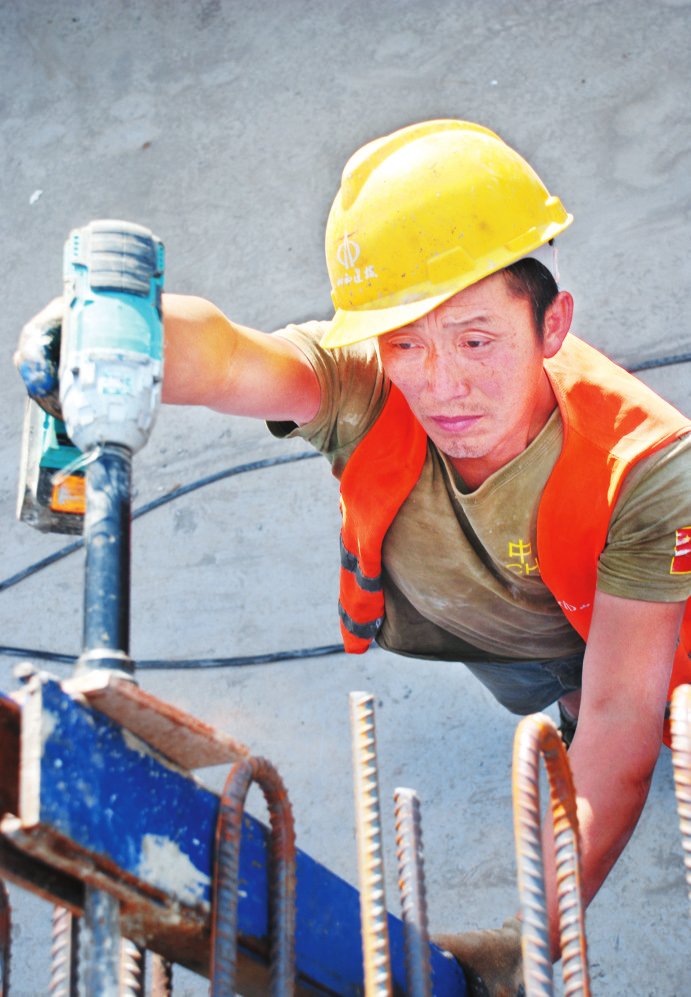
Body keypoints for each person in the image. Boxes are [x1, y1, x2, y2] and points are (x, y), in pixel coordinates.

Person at [16, 120, 691, 996]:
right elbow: (229, 357)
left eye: (477, 339)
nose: (442, 383)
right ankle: (547, 687)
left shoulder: (646, 468)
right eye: (406, 342)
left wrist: (539, 934)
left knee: (608, 710)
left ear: (551, 322)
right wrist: (117, 330)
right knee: (537, 686)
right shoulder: (361, 378)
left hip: (609, 619)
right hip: (489, 634)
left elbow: (618, 718)